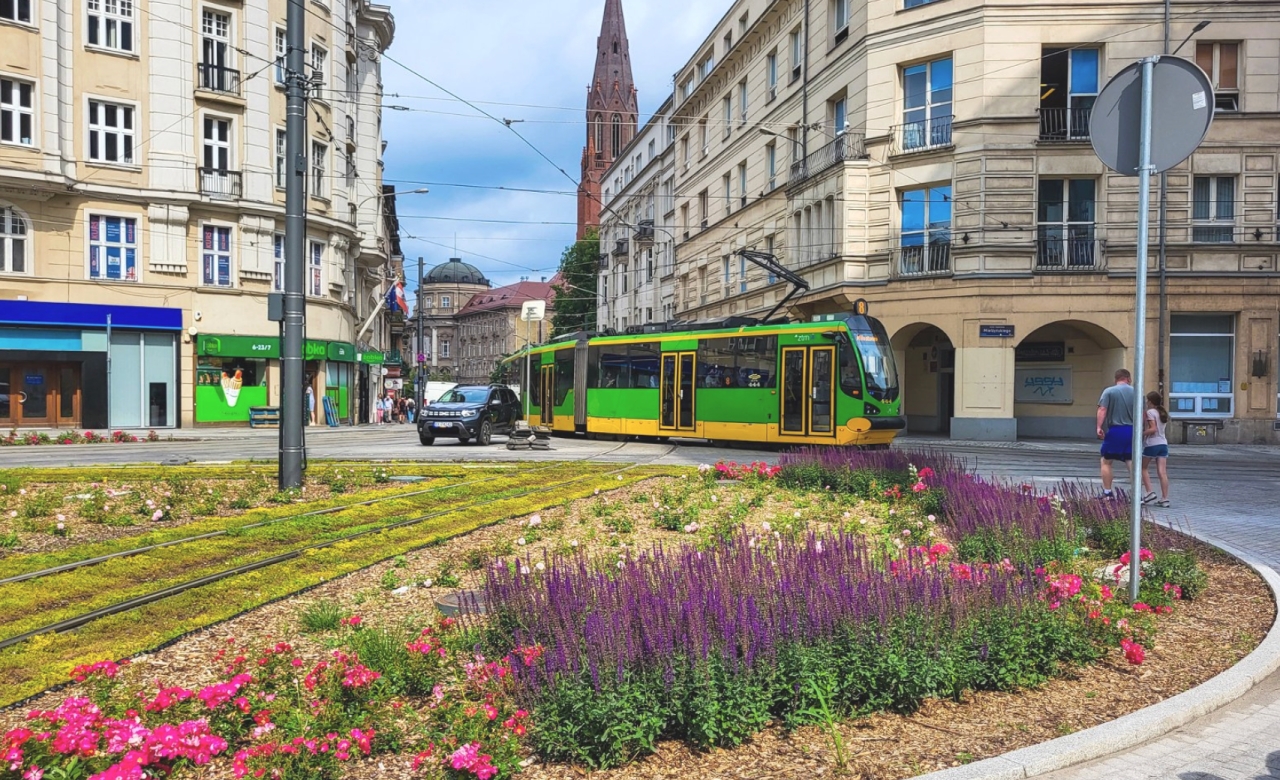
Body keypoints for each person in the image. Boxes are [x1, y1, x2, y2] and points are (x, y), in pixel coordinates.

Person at [1096, 368, 1136, 499]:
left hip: (1116, 430)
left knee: (1106, 461)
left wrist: (1099, 427)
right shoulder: (1137, 392)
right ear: (1128, 378)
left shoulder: (1109, 391)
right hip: (1132, 430)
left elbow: (1102, 409)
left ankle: (1108, 492)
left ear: (1116, 379)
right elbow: (1143, 414)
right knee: (1131, 461)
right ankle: (1137, 495)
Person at [1141, 390, 1170, 507]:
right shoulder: (1162, 412)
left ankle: (1149, 492)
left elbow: (1153, 429)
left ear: (1151, 401)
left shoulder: (1150, 412)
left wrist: (1141, 433)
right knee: (1162, 472)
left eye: (1147, 400)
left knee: (1142, 468)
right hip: (1163, 444)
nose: (1146, 402)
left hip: (1152, 444)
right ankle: (1165, 499)